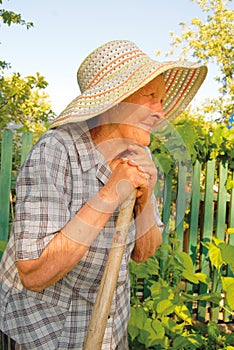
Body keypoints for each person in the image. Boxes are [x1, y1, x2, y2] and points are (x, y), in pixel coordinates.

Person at [0, 39, 207, 350]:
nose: (160, 113)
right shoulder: (56, 152)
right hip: (45, 333)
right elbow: (34, 272)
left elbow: (144, 252)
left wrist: (145, 199)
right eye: (150, 97)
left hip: (111, 332)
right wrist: (110, 193)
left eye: (162, 101)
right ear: (114, 101)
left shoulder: (140, 157)